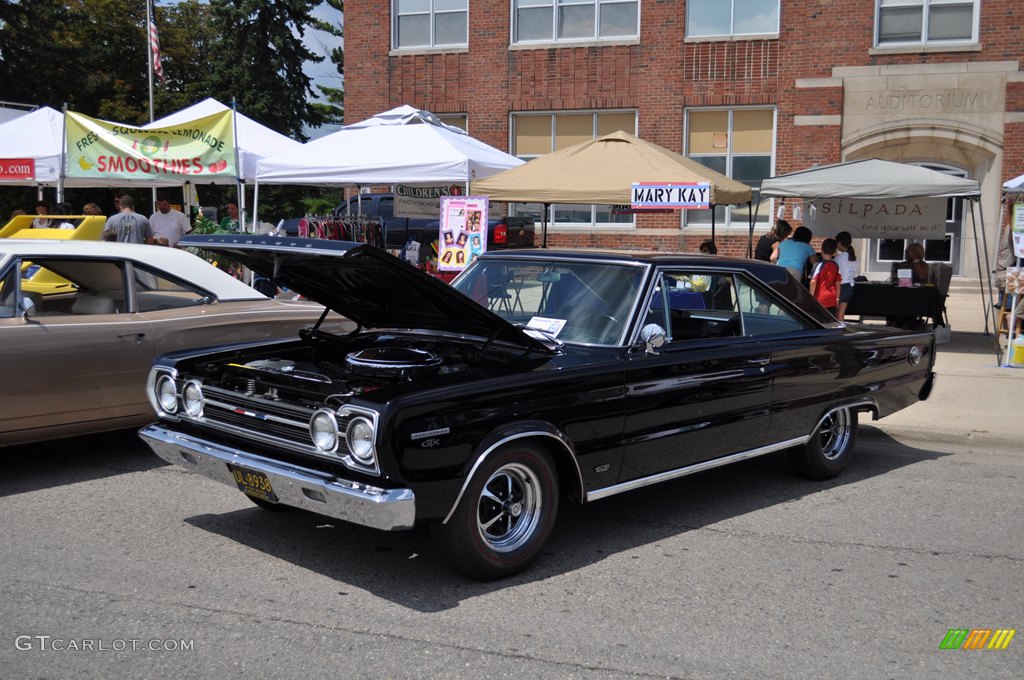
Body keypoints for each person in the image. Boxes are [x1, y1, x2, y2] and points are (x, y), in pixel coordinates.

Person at [810, 238, 841, 317]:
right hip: (832, 299)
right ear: (834, 252)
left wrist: (810, 298)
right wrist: (837, 298)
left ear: (821, 250)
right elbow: (838, 283)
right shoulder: (835, 265)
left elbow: (813, 282)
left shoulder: (818, 265)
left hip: (820, 299)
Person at [834, 231, 858, 321]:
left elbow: (835, 273)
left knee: (836, 315)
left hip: (840, 287)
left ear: (839, 243)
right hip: (849, 286)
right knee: (841, 315)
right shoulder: (853, 257)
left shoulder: (838, 258)